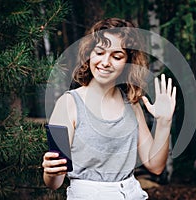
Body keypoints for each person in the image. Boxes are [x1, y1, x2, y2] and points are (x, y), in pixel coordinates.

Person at [42, 18, 176, 200]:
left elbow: (155, 165)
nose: (105, 62)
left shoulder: (132, 104)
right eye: (99, 52)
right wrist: (50, 171)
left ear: (129, 61)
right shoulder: (68, 104)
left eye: (117, 56)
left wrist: (164, 122)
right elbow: (55, 182)